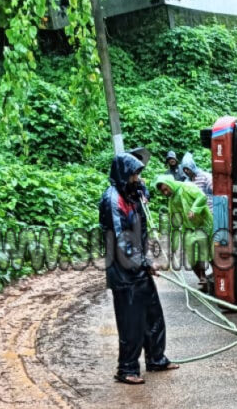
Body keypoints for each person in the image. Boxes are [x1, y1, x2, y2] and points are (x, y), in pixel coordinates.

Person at [99, 153, 178, 385]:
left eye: (139, 174)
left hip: (138, 267)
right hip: (123, 271)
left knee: (153, 315)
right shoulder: (112, 200)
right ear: (124, 174)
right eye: (134, 174)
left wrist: (143, 192)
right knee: (131, 322)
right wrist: (145, 263)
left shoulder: (132, 195)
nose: (137, 178)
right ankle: (127, 369)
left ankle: (156, 359)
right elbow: (120, 239)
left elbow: (143, 215)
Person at [153, 174, 214, 287]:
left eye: (166, 189)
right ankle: (203, 279)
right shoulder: (172, 201)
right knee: (191, 254)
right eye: (163, 192)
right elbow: (174, 221)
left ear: (170, 183)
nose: (165, 193)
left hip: (204, 223)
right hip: (190, 228)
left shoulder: (186, 187)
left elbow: (202, 197)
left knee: (212, 252)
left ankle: (219, 279)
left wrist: (194, 209)